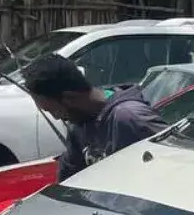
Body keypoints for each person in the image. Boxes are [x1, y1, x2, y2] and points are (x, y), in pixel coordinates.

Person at [22, 53, 167, 181]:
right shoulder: (80, 124)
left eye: (52, 110)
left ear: (69, 98)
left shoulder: (130, 119)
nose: (56, 118)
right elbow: (69, 177)